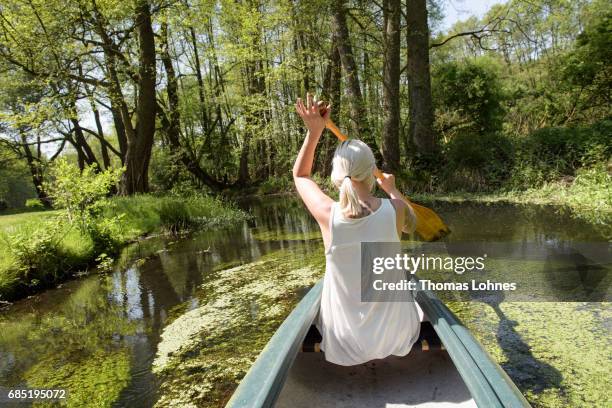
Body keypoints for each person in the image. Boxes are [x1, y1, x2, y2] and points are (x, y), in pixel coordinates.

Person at [293, 93, 421, 366]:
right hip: (398, 336)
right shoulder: (396, 210)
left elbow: (300, 175)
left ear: (336, 176)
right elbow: (413, 223)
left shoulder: (328, 215)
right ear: (371, 170)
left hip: (344, 344)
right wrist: (392, 189)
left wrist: (314, 132)